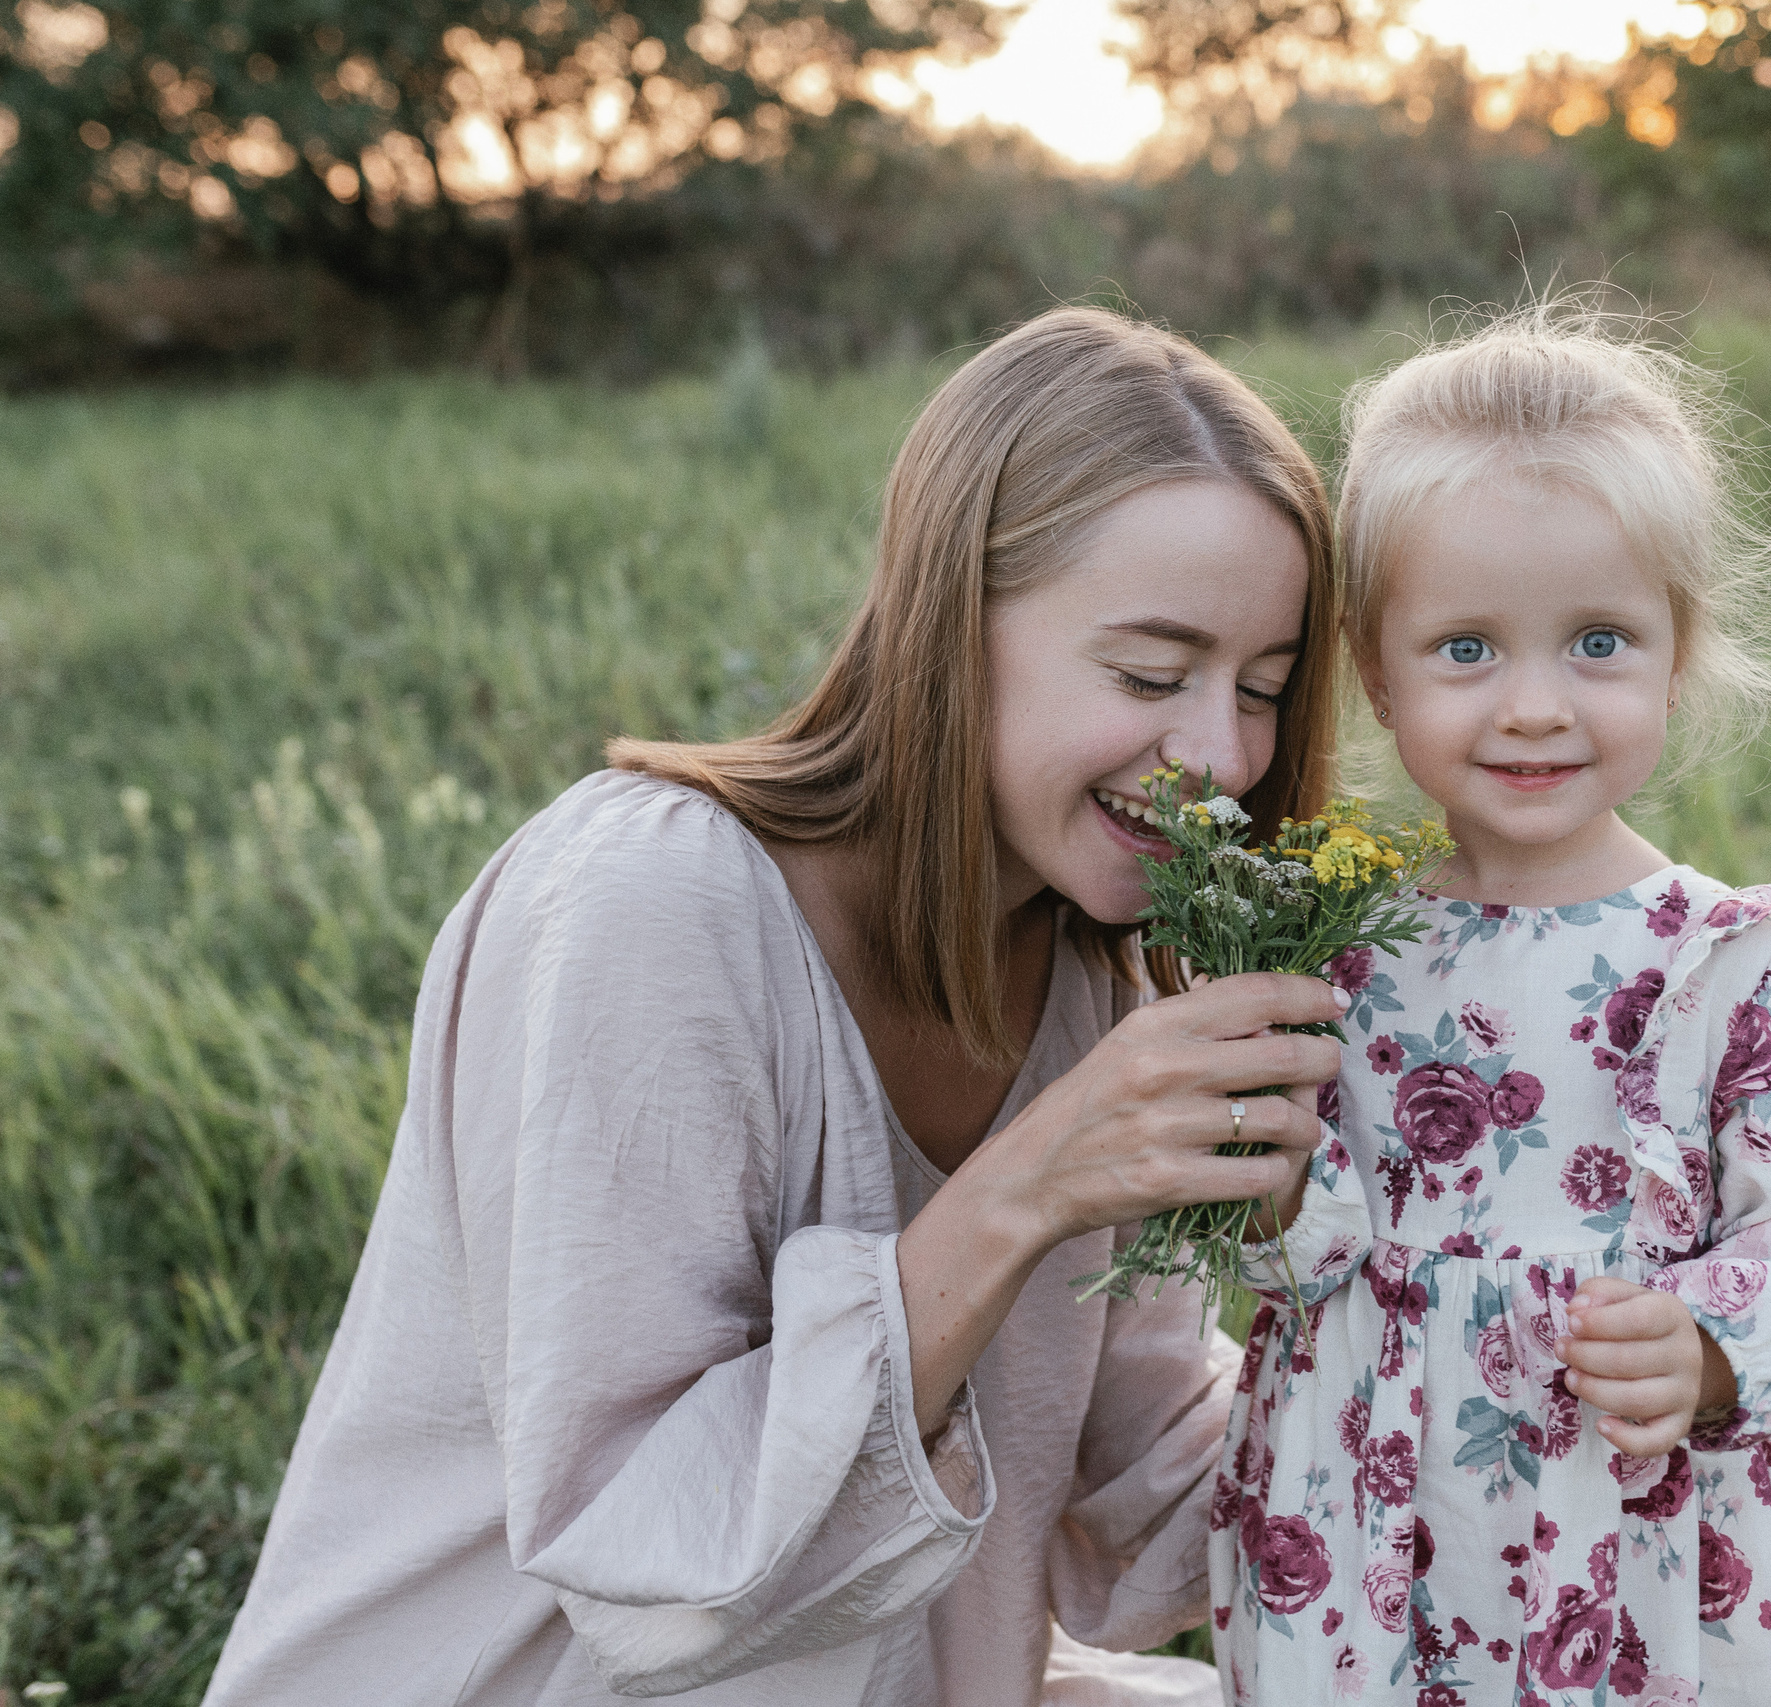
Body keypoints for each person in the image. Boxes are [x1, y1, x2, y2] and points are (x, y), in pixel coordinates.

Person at [201, 307, 1358, 1706]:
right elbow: (643, 1560)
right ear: (949, 628)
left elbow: (1145, 1510)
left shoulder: (1102, 984)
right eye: (1149, 675)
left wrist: (1425, 1309)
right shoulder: (646, 902)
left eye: (1266, 690)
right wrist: (1026, 1187)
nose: (1222, 756)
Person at [1207, 306, 1771, 1705]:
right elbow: (1297, 1253)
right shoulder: (1341, 943)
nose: (1534, 706)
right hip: (1369, 1501)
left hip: (1624, 1512)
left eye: (1597, 642)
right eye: (1467, 649)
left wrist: (1709, 1345)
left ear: (1676, 648)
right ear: (1373, 671)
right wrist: (1271, 1186)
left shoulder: (1721, 956)